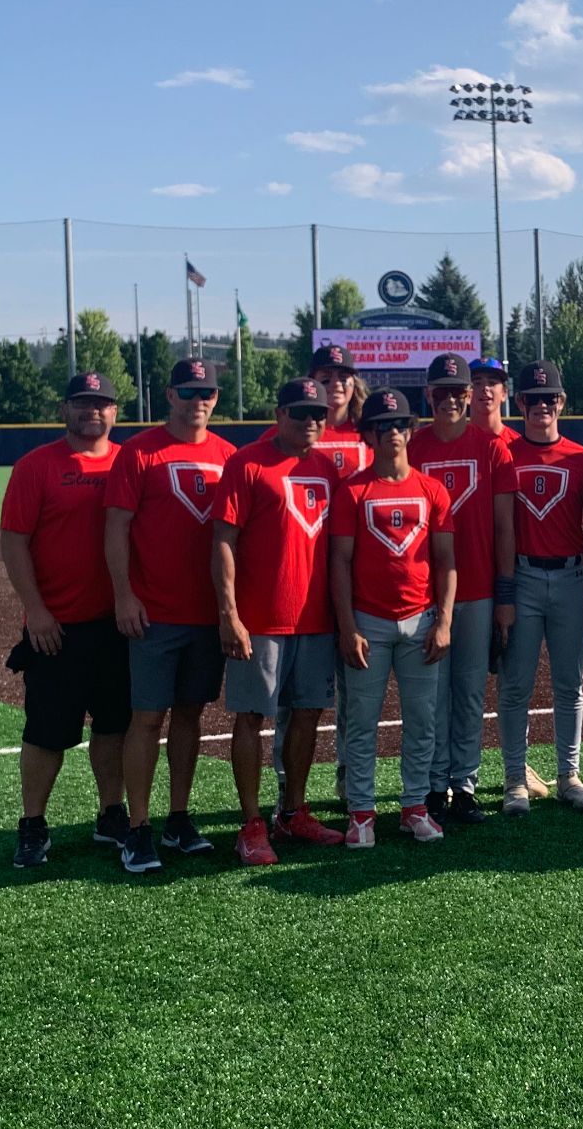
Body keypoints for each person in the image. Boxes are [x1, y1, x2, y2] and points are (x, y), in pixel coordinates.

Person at [105, 358, 235, 872]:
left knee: (190, 716)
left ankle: (179, 817)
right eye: (188, 391)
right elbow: (116, 529)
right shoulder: (139, 452)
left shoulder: (229, 455)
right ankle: (138, 827)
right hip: (154, 612)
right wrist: (124, 595)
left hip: (207, 614)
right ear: (170, 395)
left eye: (207, 392)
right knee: (146, 718)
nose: (198, 400)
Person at [0, 373, 131, 868]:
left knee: (115, 726)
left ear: (115, 412)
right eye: (82, 402)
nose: (92, 411)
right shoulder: (38, 465)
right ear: (65, 409)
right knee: (47, 732)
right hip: (56, 626)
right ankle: (33, 823)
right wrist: (36, 610)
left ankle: (111, 813)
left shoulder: (128, 462)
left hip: (118, 625)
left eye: (101, 404)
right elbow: (13, 540)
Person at [212, 379, 345, 866]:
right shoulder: (247, 463)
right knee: (250, 717)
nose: (310, 421)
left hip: (315, 619)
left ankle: (293, 811)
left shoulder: (328, 468)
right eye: (299, 412)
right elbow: (223, 541)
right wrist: (229, 614)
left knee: (308, 713)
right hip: (260, 619)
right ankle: (251, 823)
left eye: (317, 414)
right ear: (278, 413)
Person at [329, 389, 455, 846]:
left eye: (401, 425)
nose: (394, 434)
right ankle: (361, 812)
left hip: (421, 620)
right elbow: (339, 563)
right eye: (383, 426)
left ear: (411, 430)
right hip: (369, 623)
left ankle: (414, 806)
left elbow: (446, 561)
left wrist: (443, 621)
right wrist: (347, 626)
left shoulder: (432, 490)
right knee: (361, 723)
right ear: (368, 435)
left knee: (422, 721)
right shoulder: (352, 491)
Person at [408, 353, 518, 826]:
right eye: (443, 391)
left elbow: (504, 528)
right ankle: (432, 786)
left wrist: (506, 595)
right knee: (433, 693)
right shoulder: (412, 448)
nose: (452, 399)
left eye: (460, 391)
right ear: (428, 395)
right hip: (424, 592)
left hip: (477, 590)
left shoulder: (492, 448)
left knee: (471, 689)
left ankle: (464, 784)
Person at [264, 343, 371, 813]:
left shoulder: (370, 434)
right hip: (302, 583)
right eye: (326, 376)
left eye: (343, 375)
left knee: (356, 694)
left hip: (356, 582)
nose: (337, 383)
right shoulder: (291, 434)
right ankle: (288, 789)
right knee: (293, 699)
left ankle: (351, 777)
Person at [495, 360, 583, 815]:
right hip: (521, 578)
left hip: (570, 576)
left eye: (550, 398)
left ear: (562, 402)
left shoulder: (582, 459)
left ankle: (569, 775)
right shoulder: (505, 454)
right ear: (519, 403)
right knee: (516, 684)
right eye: (532, 398)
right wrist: (502, 591)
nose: (542, 406)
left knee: (568, 684)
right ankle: (515, 779)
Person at [469, 354, 549, 800]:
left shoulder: (518, 447)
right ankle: (452, 774)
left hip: (512, 578)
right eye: (476, 381)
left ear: (505, 394)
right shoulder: (448, 442)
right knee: (457, 682)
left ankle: (515, 767)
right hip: (459, 579)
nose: (484, 390)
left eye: (492, 382)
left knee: (512, 678)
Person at [469, 356, 521, 447]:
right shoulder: (453, 444)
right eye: (477, 383)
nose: (485, 388)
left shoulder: (517, 445)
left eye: (492, 383)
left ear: (504, 393)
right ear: (466, 393)